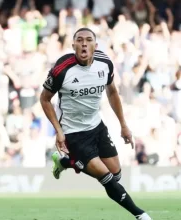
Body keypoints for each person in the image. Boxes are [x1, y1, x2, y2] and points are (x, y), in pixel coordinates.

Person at [40, 28, 152, 220]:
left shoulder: (104, 63)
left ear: (95, 45)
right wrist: (58, 131)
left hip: (96, 126)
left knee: (116, 175)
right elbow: (44, 99)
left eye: (89, 40)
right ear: (73, 45)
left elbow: (113, 93)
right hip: (73, 132)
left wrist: (123, 125)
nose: (84, 43)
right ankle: (141, 215)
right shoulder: (61, 69)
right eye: (80, 40)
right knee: (106, 178)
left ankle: (65, 161)